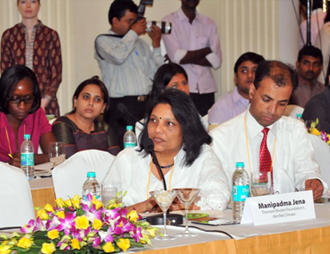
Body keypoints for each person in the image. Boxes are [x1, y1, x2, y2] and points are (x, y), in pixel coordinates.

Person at [210, 60, 326, 201]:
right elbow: (215, 193)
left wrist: (312, 182)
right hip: (241, 218)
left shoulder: (295, 130)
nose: (272, 110)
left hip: (287, 216)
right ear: (252, 91)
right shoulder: (221, 138)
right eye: (266, 100)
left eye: (282, 103)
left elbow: (307, 171)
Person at [103, 89, 230, 213]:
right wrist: (146, 205)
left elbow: (220, 196)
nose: (158, 129)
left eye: (169, 123)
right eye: (153, 120)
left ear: (186, 128)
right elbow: (104, 212)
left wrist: (185, 204)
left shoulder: (202, 156)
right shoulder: (127, 160)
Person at [95, 0, 163, 148]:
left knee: (146, 149)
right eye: (129, 21)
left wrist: (156, 45)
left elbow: (157, 72)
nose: (134, 25)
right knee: (122, 150)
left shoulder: (140, 43)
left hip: (145, 104)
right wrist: (133, 33)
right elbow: (118, 56)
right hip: (120, 107)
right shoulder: (103, 40)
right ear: (115, 20)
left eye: (134, 21)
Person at [0, 0, 62, 117]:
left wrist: (43, 102)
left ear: (39, 5)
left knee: (47, 134)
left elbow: (56, 73)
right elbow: (6, 72)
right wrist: (17, 98)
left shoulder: (51, 35)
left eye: (33, 1)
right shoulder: (9, 35)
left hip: (46, 103)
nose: (28, 6)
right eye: (23, 2)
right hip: (16, 102)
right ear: (17, 5)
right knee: (19, 135)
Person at [162, 0, 222, 116]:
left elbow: (216, 62)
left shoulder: (209, 23)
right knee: (183, 129)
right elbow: (177, 57)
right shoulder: (169, 21)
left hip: (206, 89)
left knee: (205, 129)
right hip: (181, 88)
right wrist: (206, 51)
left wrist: (186, 56)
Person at [52, 76, 120, 158]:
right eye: (86, 97)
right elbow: (70, 161)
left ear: (103, 107)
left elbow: (116, 161)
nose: (91, 103)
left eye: (97, 99)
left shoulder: (105, 129)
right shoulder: (63, 124)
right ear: (75, 101)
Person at [208, 52, 265, 125]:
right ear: (236, 78)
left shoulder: (272, 104)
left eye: (255, 71)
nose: (250, 75)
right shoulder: (221, 107)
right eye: (244, 71)